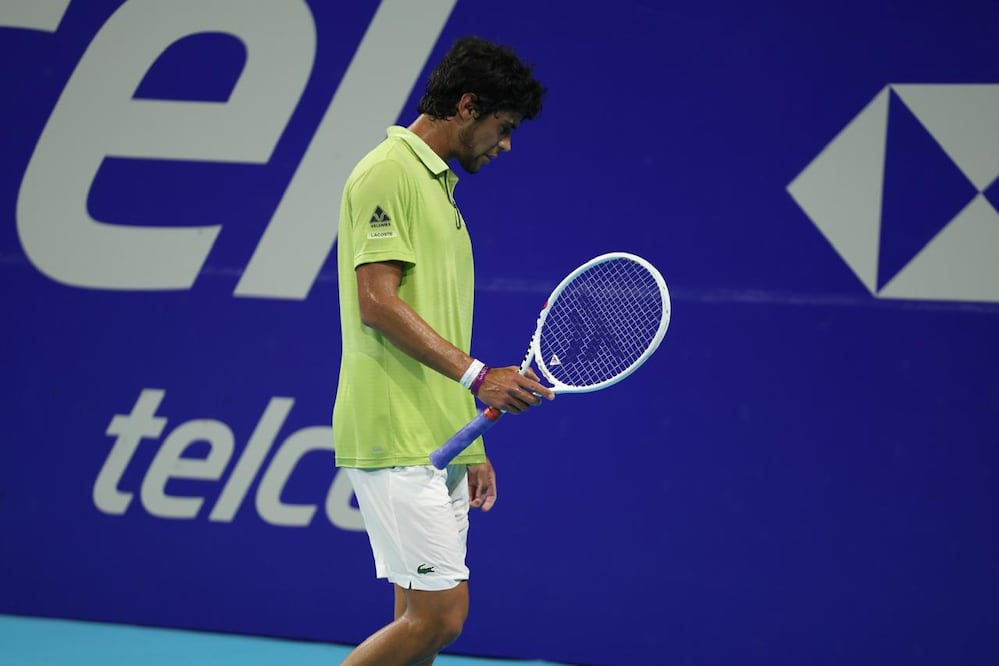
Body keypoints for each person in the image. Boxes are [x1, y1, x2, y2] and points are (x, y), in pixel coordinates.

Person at [332, 36, 553, 665]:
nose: (505, 144)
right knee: (440, 617)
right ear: (466, 105)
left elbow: (438, 323)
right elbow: (377, 302)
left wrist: (471, 441)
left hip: (438, 440)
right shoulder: (388, 172)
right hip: (394, 432)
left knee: (415, 624)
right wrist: (482, 375)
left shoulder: (439, 190)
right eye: (502, 126)